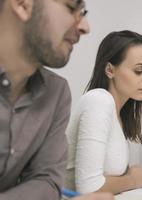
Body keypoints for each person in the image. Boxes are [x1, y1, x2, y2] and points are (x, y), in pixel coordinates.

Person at [0, 0, 112, 199]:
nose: (85, 27)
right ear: (22, 4)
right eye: (71, 8)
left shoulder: (56, 93)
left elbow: (47, 182)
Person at [66, 30, 142, 195]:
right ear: (110, 70)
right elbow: (89, 188)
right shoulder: (99, 100)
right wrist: (133, 180)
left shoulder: (118, 112)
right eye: (139, 70)